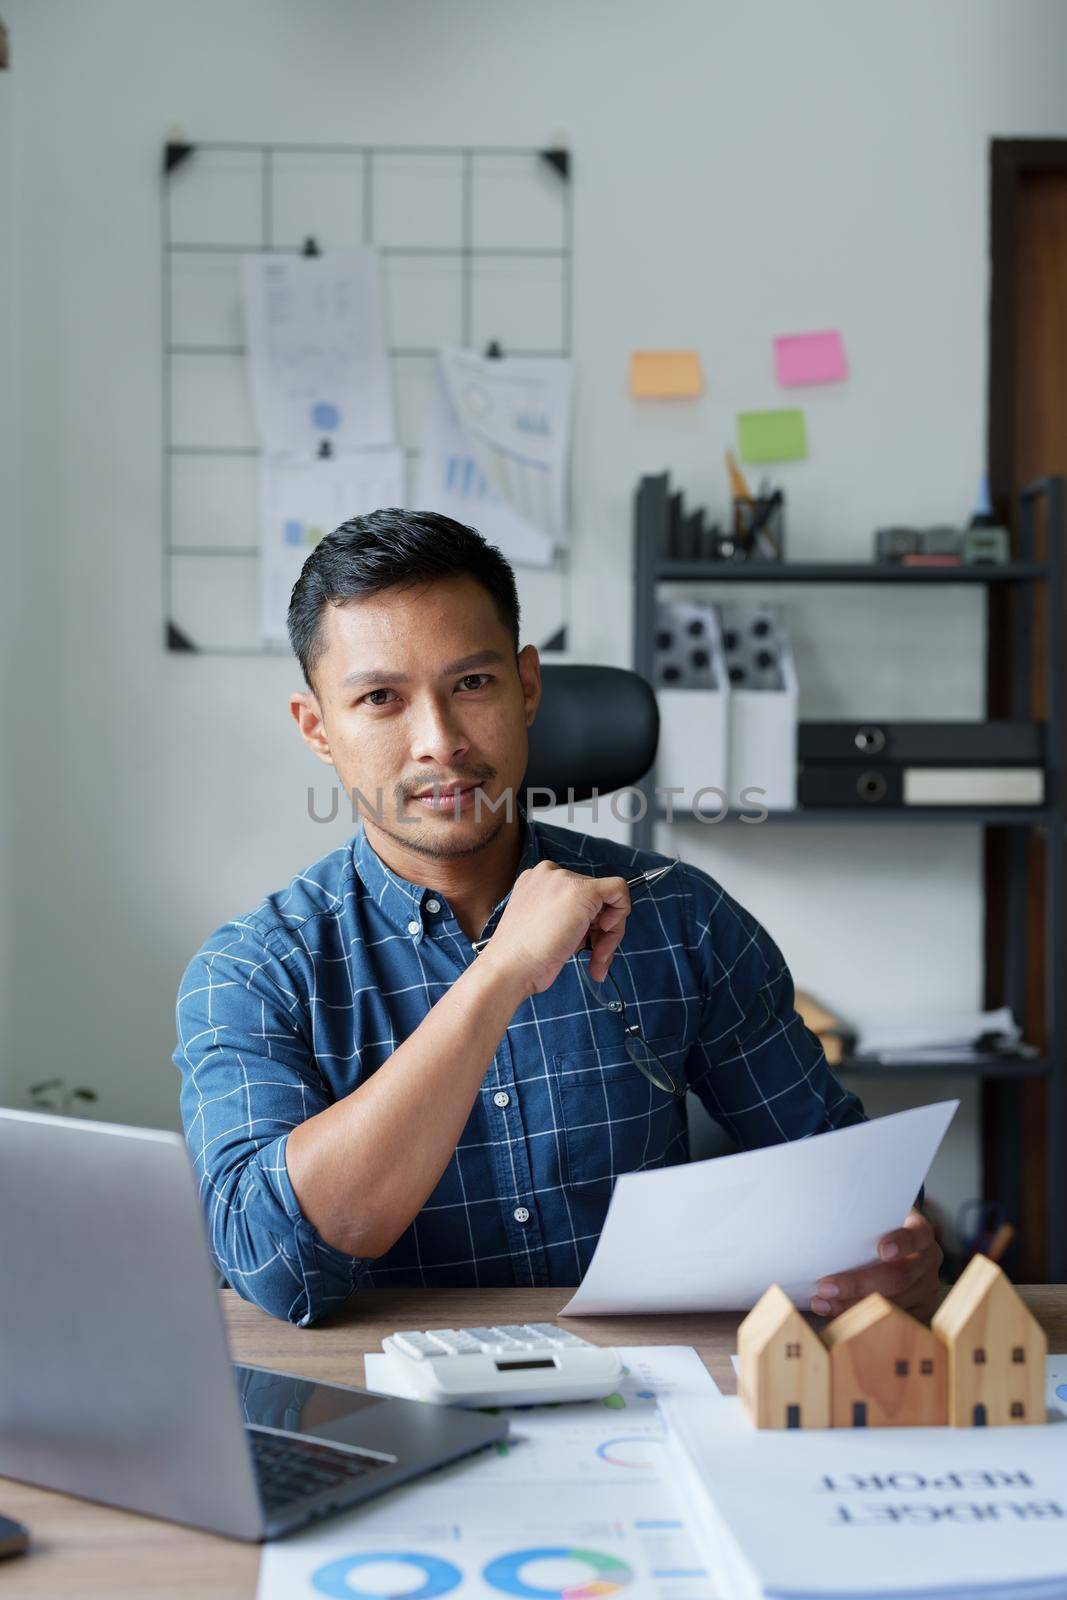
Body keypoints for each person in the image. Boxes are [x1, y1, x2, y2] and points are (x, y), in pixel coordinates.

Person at [173, 509, 942, 1327]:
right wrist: (499, 973)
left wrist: (894, 1251)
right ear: (318, 729)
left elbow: (846, 1184)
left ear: (526, 687)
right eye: (380, 698)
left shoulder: (679, 917)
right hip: (375, 1411)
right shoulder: (254, 972)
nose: (439, 740)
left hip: (647, 1403)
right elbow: (275, 1268)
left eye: (471, 684)